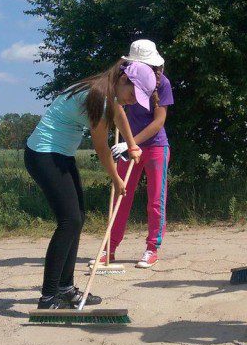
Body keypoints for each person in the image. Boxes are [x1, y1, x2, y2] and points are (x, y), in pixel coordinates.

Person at [25, 60, 153, 310]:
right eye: (133, 94)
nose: (133, 101)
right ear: (123, 80)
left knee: (77, 218)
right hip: (43, 154)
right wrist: (116, 179)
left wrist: (132, 143)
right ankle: (48, 298)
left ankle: (65, 288)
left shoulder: (107, 91)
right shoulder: (98, 96)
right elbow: (101, 147)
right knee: (69, 220)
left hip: (60, 155)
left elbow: (121, 114)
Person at [97, 39, 174, 269]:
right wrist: (128, 142)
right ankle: (109, 249)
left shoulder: (163, 84)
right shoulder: (124, 79)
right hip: (131, 146)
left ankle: (152, 248)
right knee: (122, 194)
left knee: (155, 200)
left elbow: (159, 121)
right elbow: (117, 106)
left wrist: (132, 144)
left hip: (155, 147)